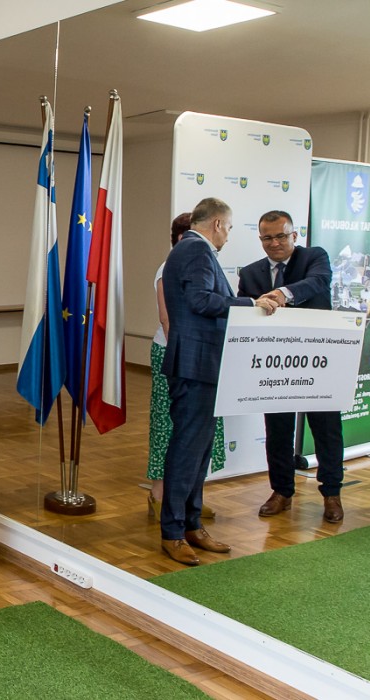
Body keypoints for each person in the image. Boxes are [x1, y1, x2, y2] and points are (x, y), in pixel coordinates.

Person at [160, 197, 279, 566]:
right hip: (195, 366)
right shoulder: (196, 250)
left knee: (199, 451)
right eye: (228, 228)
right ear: (216, 224)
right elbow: (200, 301)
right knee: (187, 450)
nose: (228, 235)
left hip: (204, 366)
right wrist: (250, 303)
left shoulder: (190, 249)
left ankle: (191, 525)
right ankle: (173, 532)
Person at [238, 210, 344, 523]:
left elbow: (318, 283)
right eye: (267, 238)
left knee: (327, 430)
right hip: (274, 366)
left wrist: (282, 294)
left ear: (294, 235)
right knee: (278, 430)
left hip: (318, 363)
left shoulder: (314, 258)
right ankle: (281, 491)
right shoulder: (250, 273)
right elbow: (244, 316)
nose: (274, 243)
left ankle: (332, 494)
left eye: (281, 236)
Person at [147, 212, 217, 522]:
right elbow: (167, 319)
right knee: (169, 427)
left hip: (200, 359)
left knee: (198, 433)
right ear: (181, 238)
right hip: (174, 354)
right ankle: (160, 496)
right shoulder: (169, 267)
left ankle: (189, 500)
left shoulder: (202, 262)